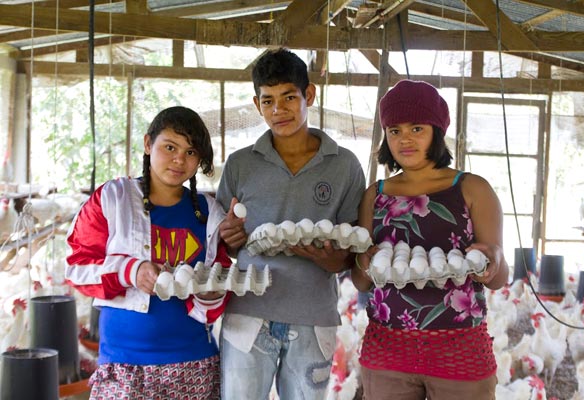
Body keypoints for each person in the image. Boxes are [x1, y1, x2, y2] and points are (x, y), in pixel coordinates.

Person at [216, 48, 366, 399]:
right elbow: (222, 246)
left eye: (288, 97)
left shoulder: (344, 165)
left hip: (313, 318)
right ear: (256, 104)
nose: (277, 110)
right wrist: (228, 238)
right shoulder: (240, 165)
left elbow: (350, 251)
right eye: (267, 101)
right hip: (247, 315)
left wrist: (329, 259)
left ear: (309, 95)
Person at [351, 80, 508, 400]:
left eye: (417, 128)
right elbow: (361, 282)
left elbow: (500, 278)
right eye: (394, 130)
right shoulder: (375, 196)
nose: (404, 138)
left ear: (437, 131)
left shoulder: (472, 189)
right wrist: (364, 261)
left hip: (459, 348)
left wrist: (492, 260)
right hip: (387, 350)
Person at [65, 106, 231, 400]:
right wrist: (131, 271)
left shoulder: (209, 213)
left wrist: (210, 293)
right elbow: (77, 267)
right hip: (124, 365)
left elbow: (221, 279)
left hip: (194, 364)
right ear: (147, 144)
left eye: (191, 152)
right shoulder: (113, 199)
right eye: (170, 147)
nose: (180, 159)